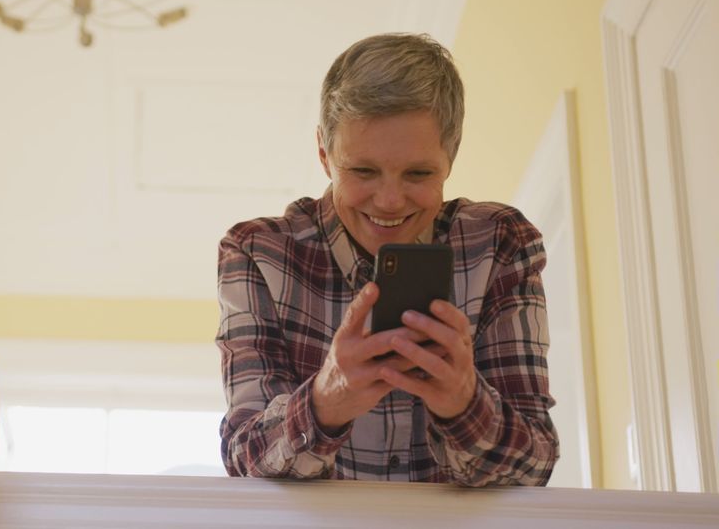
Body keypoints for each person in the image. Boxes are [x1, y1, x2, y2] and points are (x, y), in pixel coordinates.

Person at [215, 33, 559, 485]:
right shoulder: (257, 252)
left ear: (451, 158)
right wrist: (327, 400)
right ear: (324, 153)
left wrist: (464, 402)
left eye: (418, 173)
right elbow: (244, 459)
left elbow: (535, 466)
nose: (391, 201)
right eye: (362, 171)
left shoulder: (500, 245)